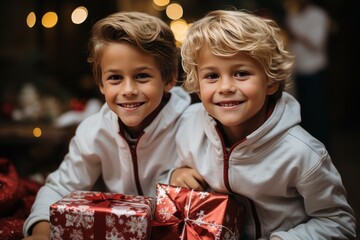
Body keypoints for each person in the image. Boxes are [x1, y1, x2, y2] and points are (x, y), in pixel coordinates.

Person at [170, 9, 356, 239]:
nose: (225, 87)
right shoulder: (188, 124)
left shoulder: (302, 153)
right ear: (197, 85)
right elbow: (165, 170)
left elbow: (339, 223)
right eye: (212, 76)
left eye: (241, 73)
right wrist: (175, 174)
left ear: (270, 82)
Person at [23, 11, 191, 239]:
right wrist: (41, 229)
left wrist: (175, 176)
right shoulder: (94, 131)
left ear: (169, 78)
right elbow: (60, 187)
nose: (128, 90)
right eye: (115, 78)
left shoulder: (193, 124)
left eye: (142, 76)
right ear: (100, 83)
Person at [284, 0, 331, 148]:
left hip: (314, 69)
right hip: (297, 70)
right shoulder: (292, 15)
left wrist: (295, 35)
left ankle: (323, 147)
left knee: (316, 110)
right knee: (302, 111)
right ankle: (308, 147)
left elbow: (318, 43)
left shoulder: (318, 15)